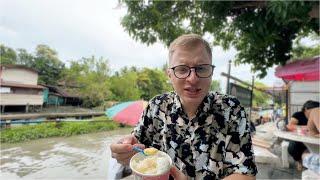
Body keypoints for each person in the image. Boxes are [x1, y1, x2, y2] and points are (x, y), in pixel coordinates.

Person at [110, 34, 257, 179]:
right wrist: (124, 150)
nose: (192, 79)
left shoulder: (231, 109)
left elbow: (246, 174)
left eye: (201, 68)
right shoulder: (156, 107)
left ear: (211, 72)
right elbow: (137, 148)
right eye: (182, 69)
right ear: (170, 75)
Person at [286, 100, 320, 170]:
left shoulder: (317, 114)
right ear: (306, 109)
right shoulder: (298, 114)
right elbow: (290, 126)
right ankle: (299, 161)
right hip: (299, 138)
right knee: (292, 147)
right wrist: (306, 127)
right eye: (312, 111)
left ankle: (309, 160)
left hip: (313, 138)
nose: (313, 114)